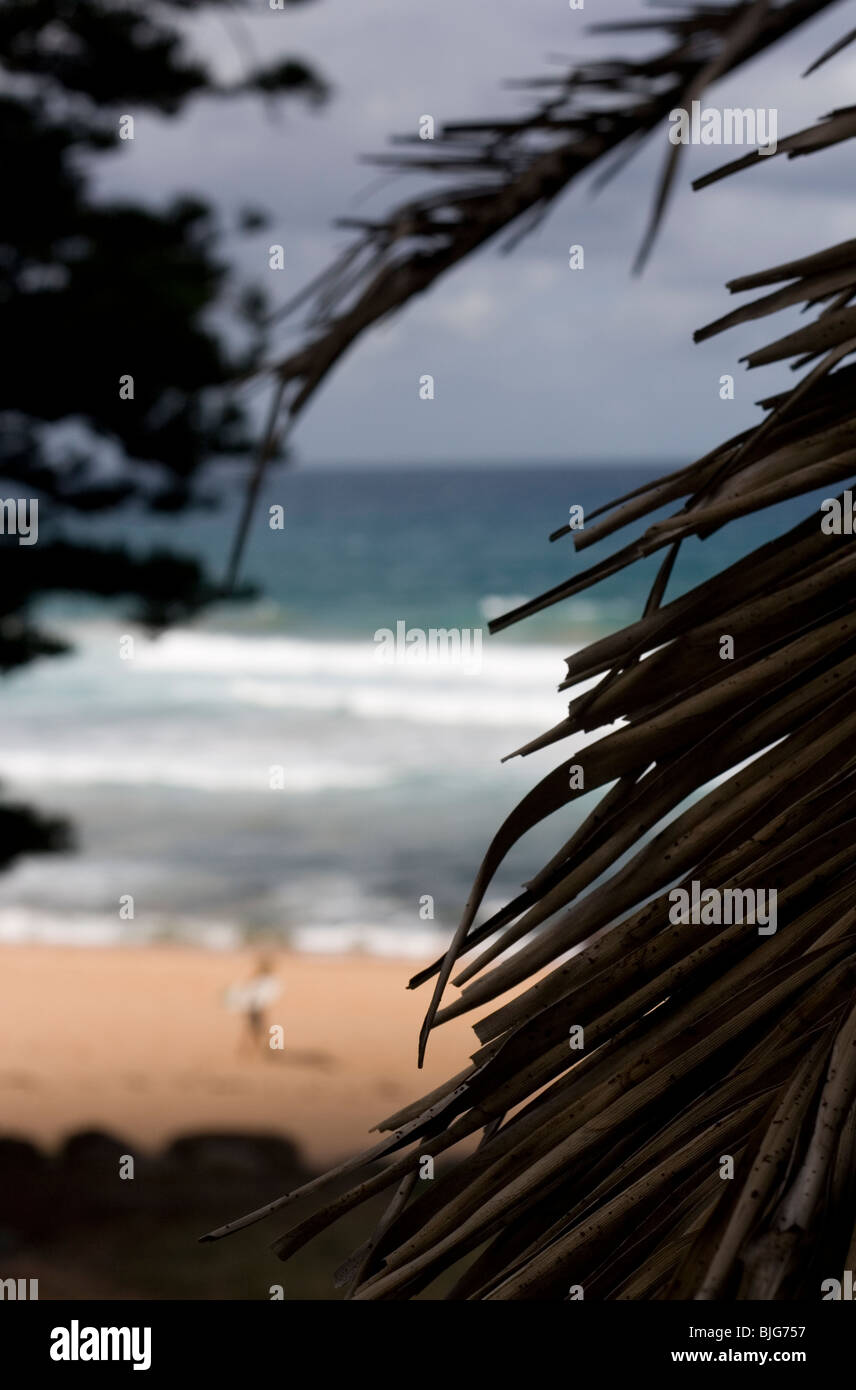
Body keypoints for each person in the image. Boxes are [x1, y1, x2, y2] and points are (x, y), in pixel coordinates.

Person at [224, 954, 282, 1059]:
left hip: (257, 1008)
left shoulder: (265, 979)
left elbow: (259, 994)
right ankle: (252, 1050)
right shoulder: (263, 979)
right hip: (254, 1008)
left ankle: (252, 1049)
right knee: (256, 1029)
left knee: (258, 1029)